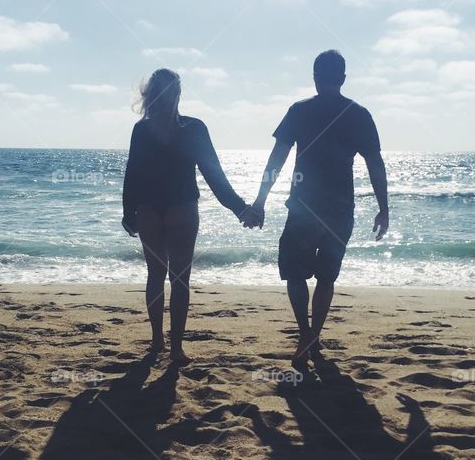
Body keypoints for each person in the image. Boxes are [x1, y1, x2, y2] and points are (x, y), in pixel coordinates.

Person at [244, 50, 389, 375]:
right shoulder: (359, 114)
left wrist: (260, 200)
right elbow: (375, 164)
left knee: (296, 274)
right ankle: (312, 337)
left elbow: (276, 159)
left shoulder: (300, 111)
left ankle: (306, 334)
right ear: (342, 78)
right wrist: (383, 209)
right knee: (326, 277)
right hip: (340, 209)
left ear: (314, 76)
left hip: (304, 206)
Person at [122, 68, 256, 365]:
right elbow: (214, 177)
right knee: (180, 279)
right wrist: (241, 209)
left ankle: (157, 339)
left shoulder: (141, 130)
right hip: (181, 207)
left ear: (150, 94)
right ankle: (176, 349)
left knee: (155, 276)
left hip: (147, 209)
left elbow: (132, 175)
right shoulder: (195, 128)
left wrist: (127, 212)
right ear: (179, 94)